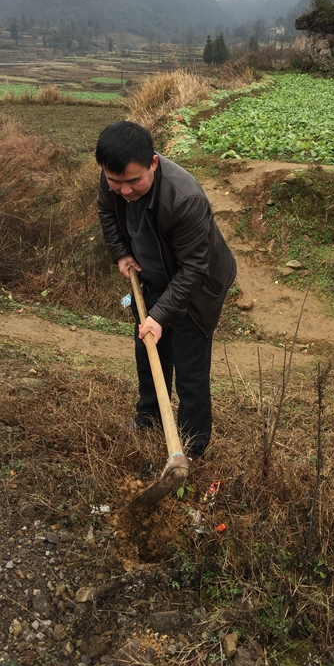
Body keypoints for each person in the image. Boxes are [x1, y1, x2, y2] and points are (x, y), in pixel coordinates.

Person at [95, 120, 236, 459]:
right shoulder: (113, 178)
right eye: (116, 182)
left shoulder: (185, 199)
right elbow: (107, 212)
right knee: (149, 351)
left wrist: (160, 316)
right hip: (152, 278)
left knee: (190, 368)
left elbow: (193, 270)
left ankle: (191, 445)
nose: (124, 191)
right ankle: (149, 416)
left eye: (133, 182)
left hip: (196, 287)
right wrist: (122, 252)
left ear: (153, 163)